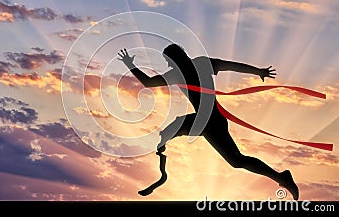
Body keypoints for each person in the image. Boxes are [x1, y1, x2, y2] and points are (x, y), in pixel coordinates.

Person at [117, 44, 299, 200]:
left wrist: (257, 71)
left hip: (209, 120)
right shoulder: (183, 71)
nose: (168, 65)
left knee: (234, 159)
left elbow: (230, 66)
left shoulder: (199, 64)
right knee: (236, 160)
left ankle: (281, 177)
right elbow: (149, 82)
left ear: (176, 58)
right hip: (210, 122)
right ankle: (281, 177)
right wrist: (130, 65)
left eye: (168, 61)